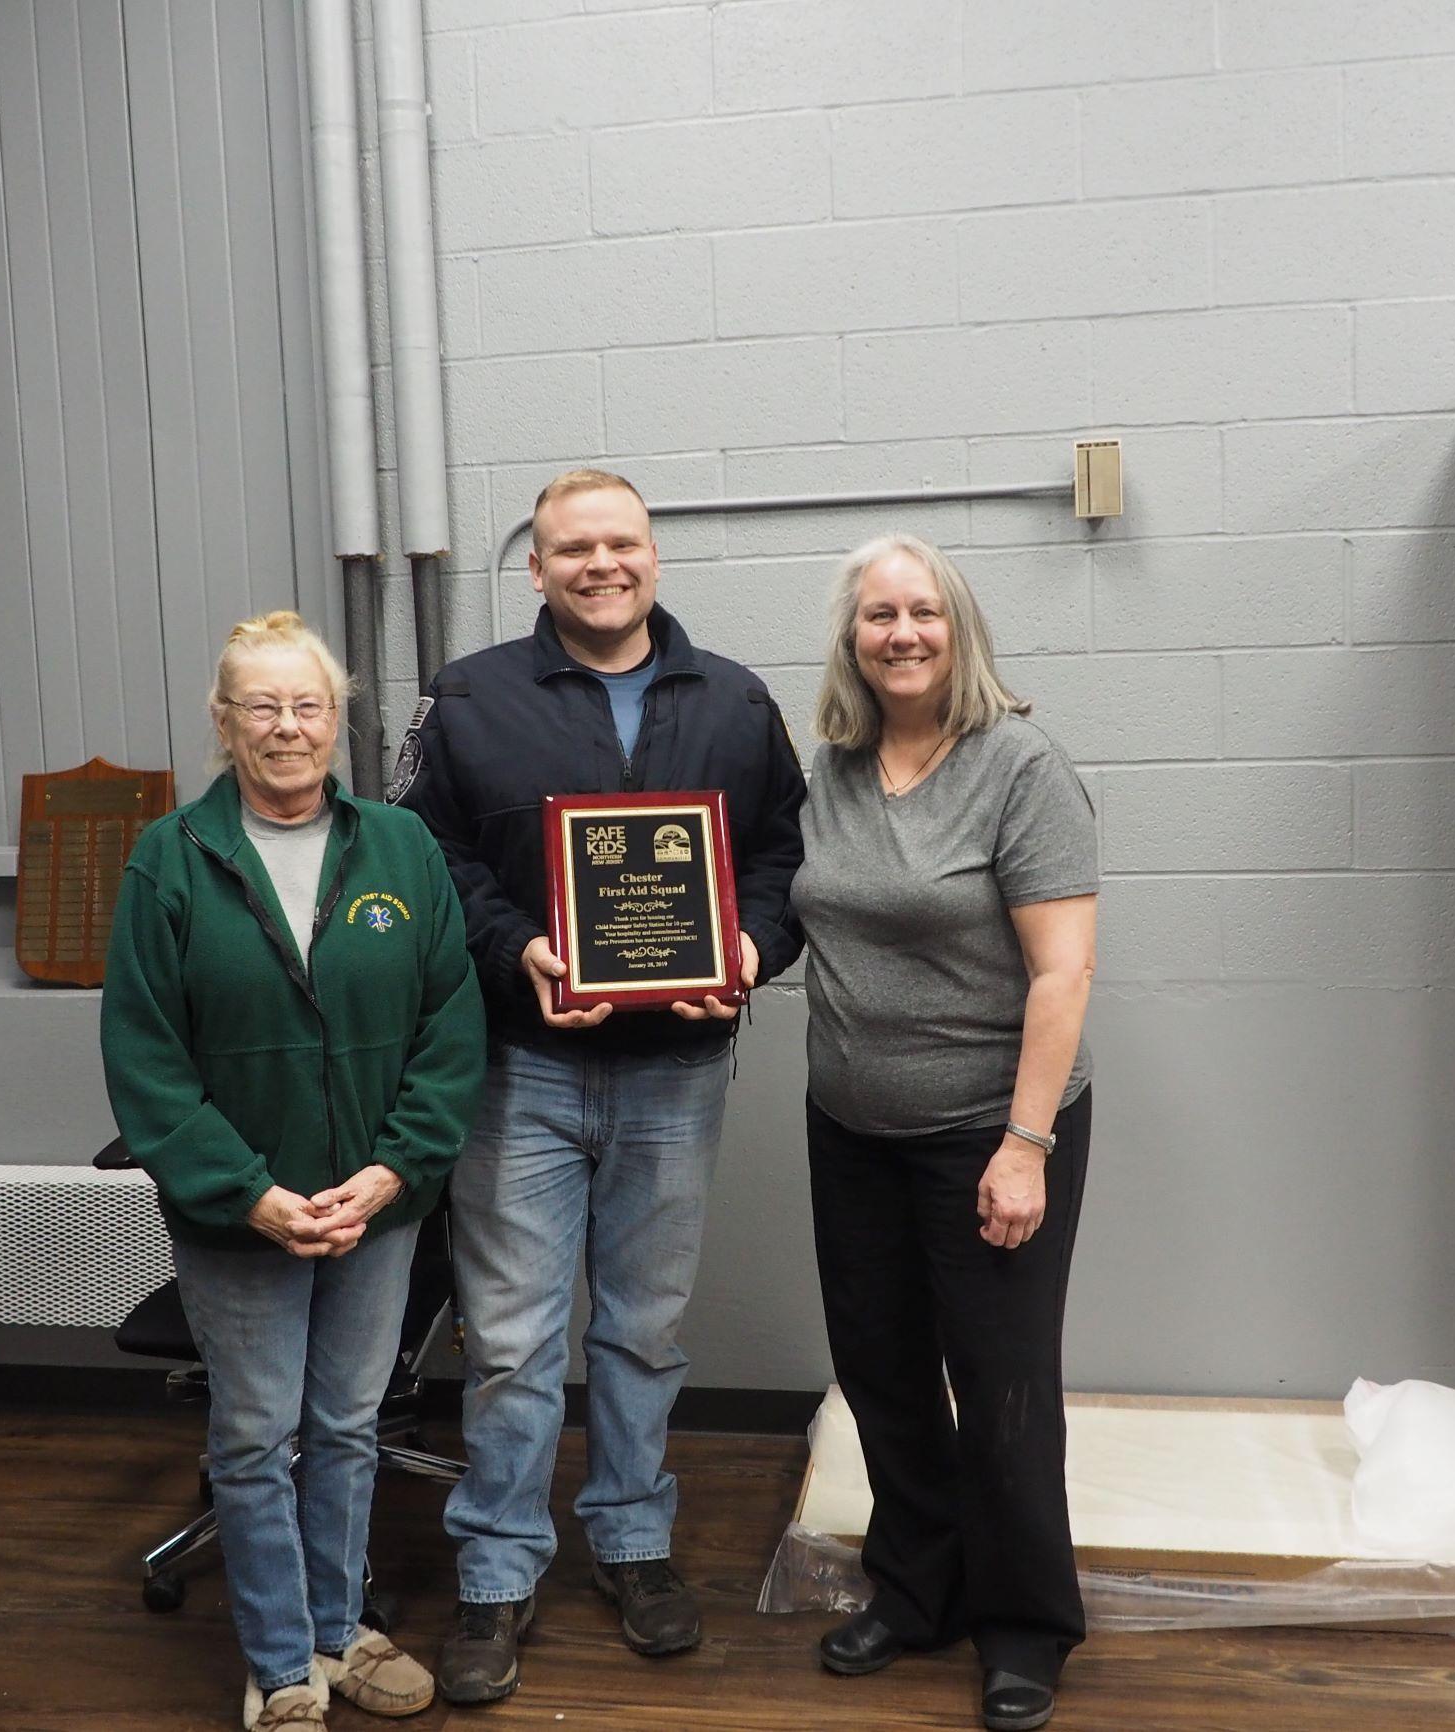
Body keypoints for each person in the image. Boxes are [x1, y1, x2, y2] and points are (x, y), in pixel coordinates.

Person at [394, 468, 805, 1705]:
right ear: (536, 568)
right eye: (573, 548)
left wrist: (747, 948)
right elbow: (430, 855)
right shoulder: (468, 699)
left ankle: (631, 1541)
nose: (600, 564)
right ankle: (497, 1568)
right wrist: (516, 943)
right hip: (523, 1068)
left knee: (642, 1330)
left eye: (620, 543)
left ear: (653, 558)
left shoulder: (733, 699)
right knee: (514, 1341)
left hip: (676, 1073)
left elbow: (782, 854)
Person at [101, 611, 485, 1731]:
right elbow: (145, 1058)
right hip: (239, 1220)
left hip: (377, 1208)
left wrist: (390, 1171)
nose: (287, 726)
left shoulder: (400, 850)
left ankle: (337, 1628)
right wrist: (249, 1193)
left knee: (351, 1425)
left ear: (338, 719)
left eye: (307, 704)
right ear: (223, 723)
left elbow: (449, 1026)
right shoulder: (169, 859)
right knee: (257, 1434)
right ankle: (280, 1664)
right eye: (260, 706)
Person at [789, 535, 1098, 1732]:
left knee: (1002, 1381)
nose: (900, 632)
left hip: (989, 1128)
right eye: (877, 615)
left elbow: (1062, 973)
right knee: (881, 1373)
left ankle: (1024, 1622)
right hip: (849, 1125)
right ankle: (914, 1588)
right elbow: (789, 910)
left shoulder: (1020, 765)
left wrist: (1023, 1144)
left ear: (956, 629)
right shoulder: (835, 765)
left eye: (922, 612)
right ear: (851, 637)